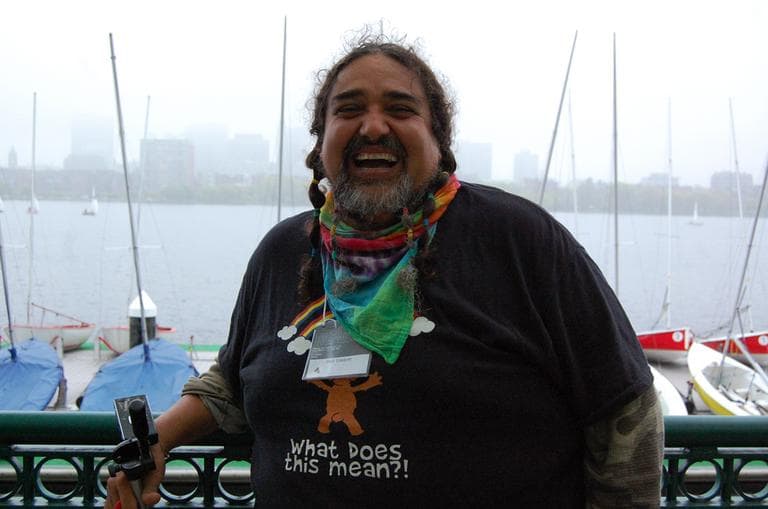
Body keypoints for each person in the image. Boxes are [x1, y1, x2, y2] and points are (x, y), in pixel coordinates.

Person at [106, 31, 663, 508]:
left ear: (438, 139)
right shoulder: (282, 252)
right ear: (321, 141)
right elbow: (233, 378)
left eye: (400, 109)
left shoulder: (520, 240)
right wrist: (160, 438)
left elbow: (623, 403)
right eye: (348, 110)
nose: (373, 127)